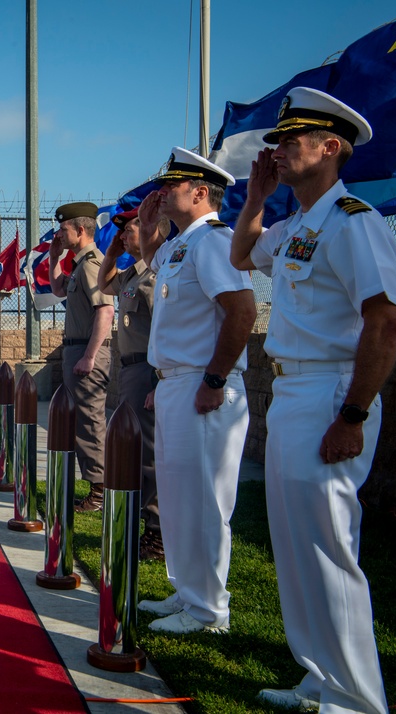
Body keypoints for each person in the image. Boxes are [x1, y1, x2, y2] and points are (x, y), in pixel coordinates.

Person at [230, 88, 396, 714]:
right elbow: (243, 252)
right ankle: (319, 675)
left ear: (331, 148)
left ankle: (357, 698)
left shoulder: (354, 220)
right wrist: (254, 197)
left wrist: (353, 414)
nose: (277, 150)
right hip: (292, 389)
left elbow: (384, 323)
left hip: (332, 390)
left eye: (290, 140)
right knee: (298, 543)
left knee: (329, 546)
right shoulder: (299, 224)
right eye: (276, 140)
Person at [136, 147, 256, 634]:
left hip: (204, 386)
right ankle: (187, 591)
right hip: (175, 385)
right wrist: (147, 234)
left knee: (205, 500)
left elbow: (242, 312)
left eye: (172, 187)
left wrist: (213, 379)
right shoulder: (182, 243)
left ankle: (209, 611)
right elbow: (157, 271)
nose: (162, 194)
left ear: (200, 192)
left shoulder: (213, 242)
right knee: (179, 494)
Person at [98, 208, 163, 560]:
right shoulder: (133, 274)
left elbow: (162, 331)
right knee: (135, 453)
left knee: (150, 454)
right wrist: (113, 250)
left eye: (131, 229)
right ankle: (144, 524)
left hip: (150, 370)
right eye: (121, 231)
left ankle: (157, 534)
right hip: (131, 370)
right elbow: (104, 283)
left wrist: (158, 381)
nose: (123, 236)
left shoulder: (158, 275)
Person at [48, 202, 115, 512]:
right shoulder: (78, 263)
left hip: (87, 351)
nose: (60, 234)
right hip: (76, 349)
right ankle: (96, 486)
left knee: (89, 421)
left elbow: (105, 310)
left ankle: (100, 491)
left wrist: (89, 356)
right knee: (81, 421)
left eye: (64, 230)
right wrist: (53, 259)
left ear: (81, 230)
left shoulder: (91, 264)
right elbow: (59, 290)